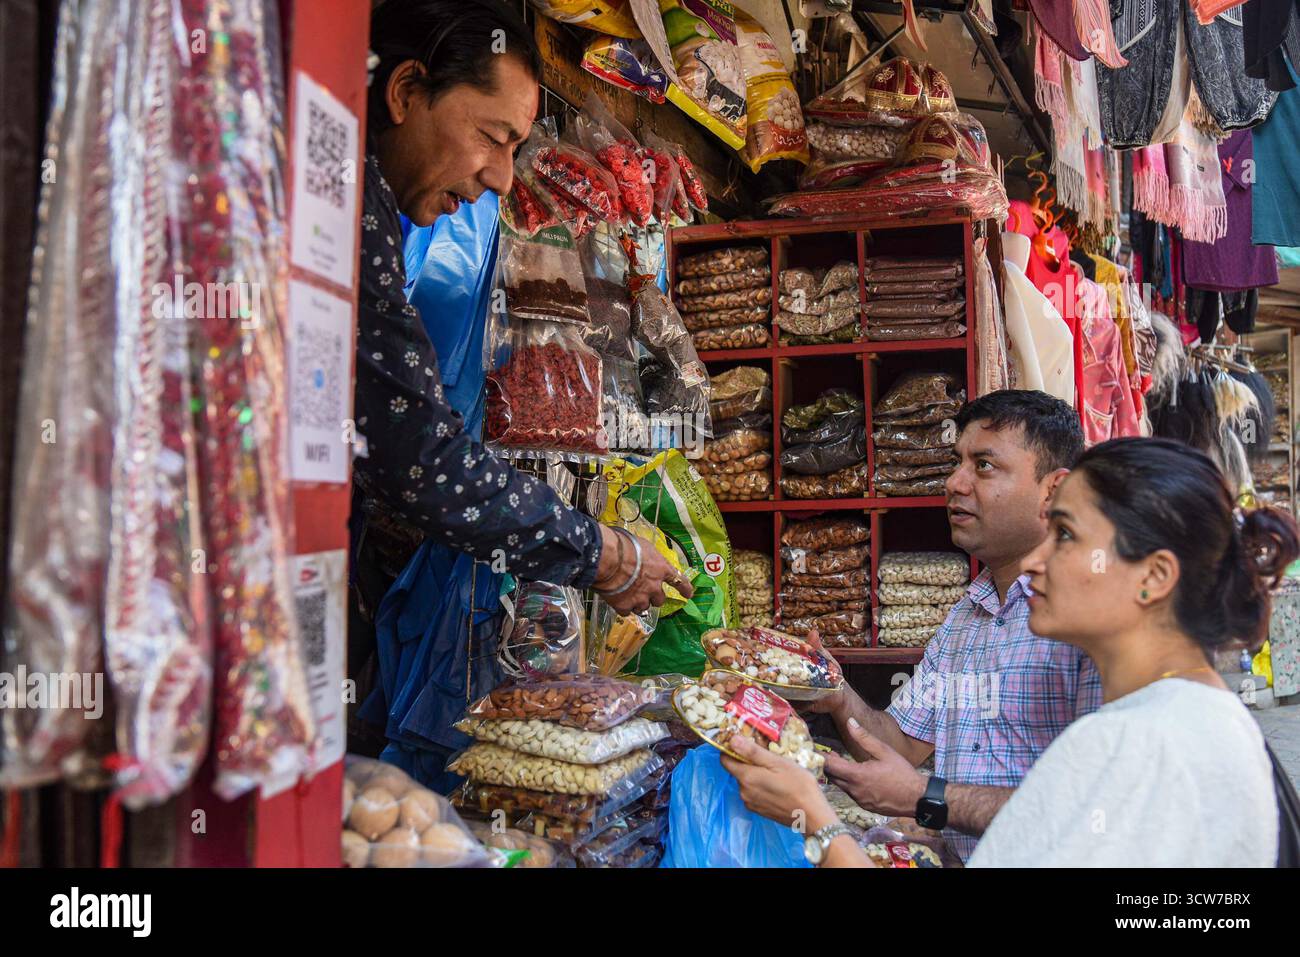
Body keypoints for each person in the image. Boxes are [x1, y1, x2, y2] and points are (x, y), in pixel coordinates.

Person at [350, 0, 690, 667]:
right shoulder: (342, 209)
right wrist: (604, 554)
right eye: (492, 135)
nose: (503, 177)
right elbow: (420, 456)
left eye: (514, 148)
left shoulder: (371, 208)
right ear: (405, 92)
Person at [726, 389, 1100, 864]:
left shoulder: (1088, 621)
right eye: (957, 461)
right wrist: (838, 694)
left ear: (1054, 489)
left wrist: (927, 797)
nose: (954, 482)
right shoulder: (968, 616)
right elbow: (900, 741)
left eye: (983, 465)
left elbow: (1095, 806)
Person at [968, 438, 1291, 865]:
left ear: (1154, 576)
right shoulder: (1212, 719)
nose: (1034, 561)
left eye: (1065, 534)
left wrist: (844, 840)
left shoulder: (1126, 741)